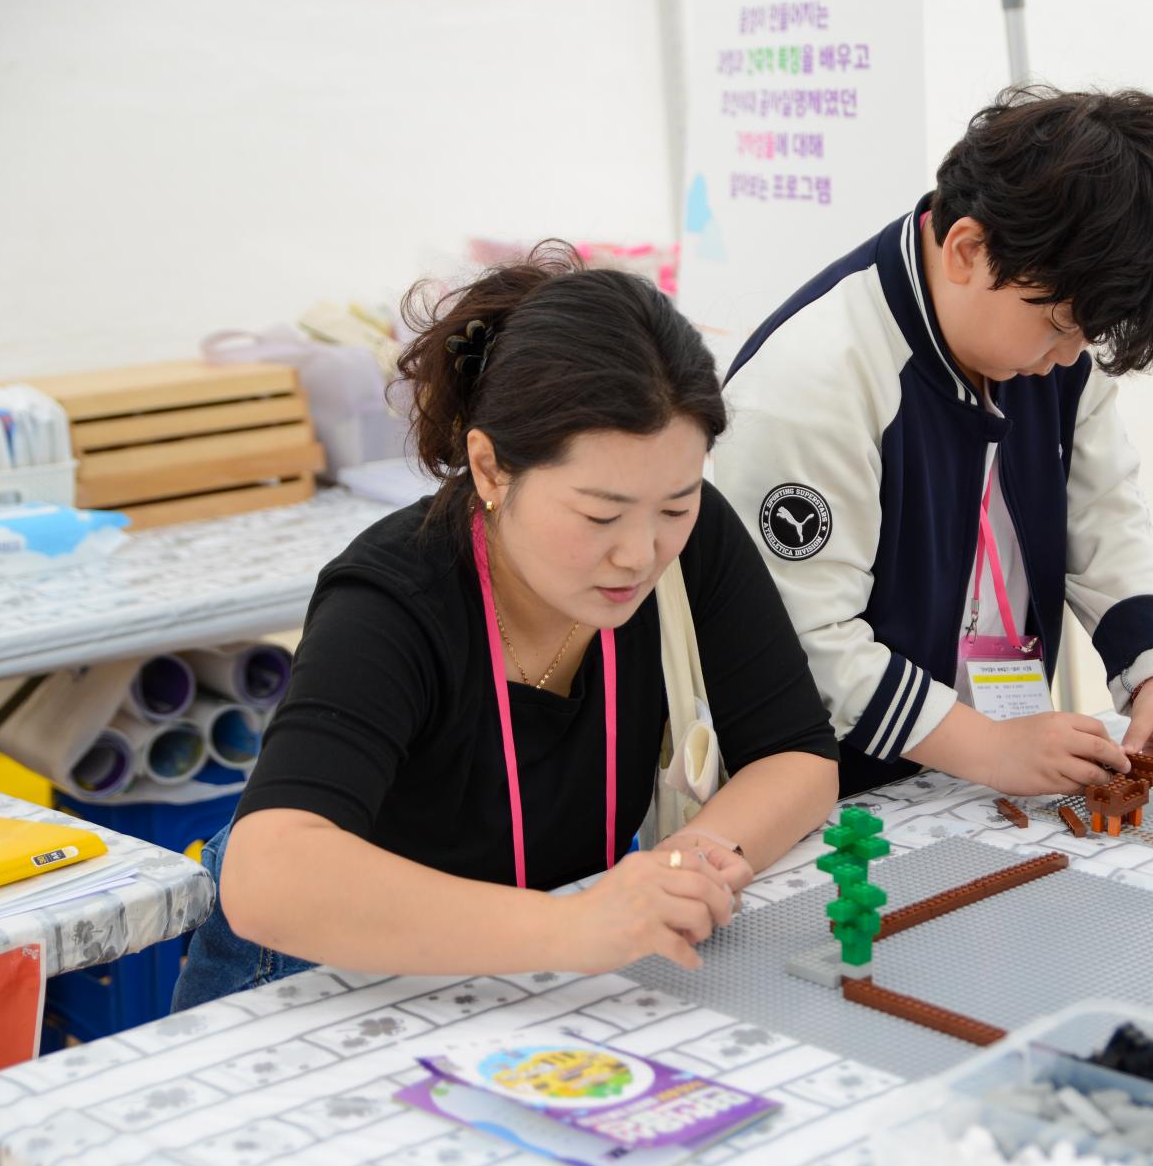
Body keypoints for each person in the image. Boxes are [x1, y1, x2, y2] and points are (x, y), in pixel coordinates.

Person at [173, 246, 840, 1009]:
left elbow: (796, 754)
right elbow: (271, 876)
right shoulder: (393, 601)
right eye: (598, 514)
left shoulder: (687, 542)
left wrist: (689, 865)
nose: (639, 553)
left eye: (676, 506)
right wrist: (574, 925)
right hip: (315, 978)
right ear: (490, 469)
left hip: (519, 972)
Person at [712, 86, 1153, 799]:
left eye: (1087, 335)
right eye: (1062, 326)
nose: (1071, 358)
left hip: (987, 775)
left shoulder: (1043, 334)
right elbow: (804, 639)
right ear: (967, 250)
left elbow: (1104, 510)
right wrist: (985, 744)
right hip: (834, 797)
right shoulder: (813, 381)